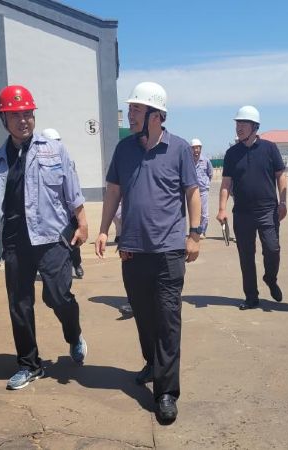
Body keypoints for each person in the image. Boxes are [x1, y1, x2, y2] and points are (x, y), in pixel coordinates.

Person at [94, 81, 201, 424]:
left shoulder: (179, 148)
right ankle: (153, 363)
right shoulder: (124, 149)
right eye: (131, 109)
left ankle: (166, 392)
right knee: (143, 317)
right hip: (132, 250)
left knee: (168, 321)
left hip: (169, 251)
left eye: (137, 109)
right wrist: (103, 229)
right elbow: (113, 192)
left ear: (156, 115)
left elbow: (192, 192)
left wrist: (195, 234)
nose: (130, 115)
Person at [0, 85, 88, 390]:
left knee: (57, 295)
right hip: (15, 241)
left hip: (51, 236)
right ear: (4, 119)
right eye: (15, 115)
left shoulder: (54, 150)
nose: (23, 120)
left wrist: (82, 223)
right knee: (19, 304)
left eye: (28, 114)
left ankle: (74, 334)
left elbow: (73, 191)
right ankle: (29, 364)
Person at [216, 105, 287, 310]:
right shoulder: (231, 153)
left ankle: (270, 278)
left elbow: (280, 176)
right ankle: (251, 296)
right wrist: (222, 208)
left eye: (243, 124)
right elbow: (226, 184)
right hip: (242, 213)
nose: (239, 127)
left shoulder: (269, 148)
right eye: (237, 123)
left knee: (272, 249)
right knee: (246, 256)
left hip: (268, 211)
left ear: (255, 127)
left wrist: (283, 202)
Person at [41, 128, 84, 278]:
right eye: (53, 141)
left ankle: (77, 264)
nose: (57, 144)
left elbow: (74, 185)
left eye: (58, 141)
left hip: (69, 211)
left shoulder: (67, 160)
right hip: (52, 213)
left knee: (73, 242)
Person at [190, 138, 214, 238]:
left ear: (201, 149)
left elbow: (210, 173)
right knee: (194, 212)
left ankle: (202, 231)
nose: (196, 150)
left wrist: (206, 184)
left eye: (198, 148)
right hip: (192, 191)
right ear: (191, 149)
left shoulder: (206, 160)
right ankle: (194, 231)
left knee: (204, 213)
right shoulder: (188, 161)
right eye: (194, 148)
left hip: (203, 190)